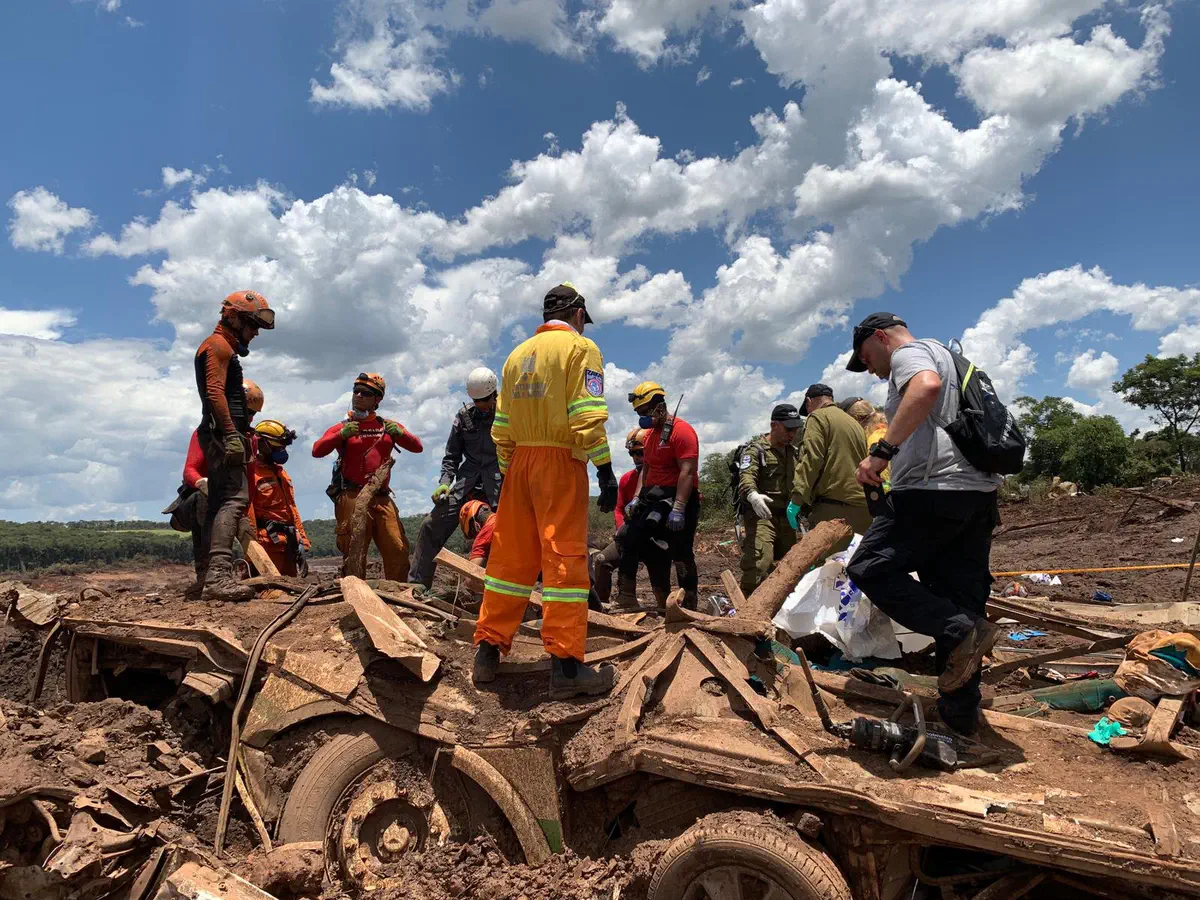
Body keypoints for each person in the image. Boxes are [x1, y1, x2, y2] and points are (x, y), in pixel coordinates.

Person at [843, 312, 1003, 737]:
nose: (871, 370)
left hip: (931, 491)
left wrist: (882, 452)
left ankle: (962, 630)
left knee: (869, 567)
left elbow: (925, 387)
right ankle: (959, 719)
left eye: (866, 358)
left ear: (880, 337)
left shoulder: (909, 354)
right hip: (977, 495)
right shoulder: (951, 357)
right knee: (958, 597)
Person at [473, 283, 619, 699]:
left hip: (518, 465)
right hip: (560, 462)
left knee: (508, 560)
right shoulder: (580, 349)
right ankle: (566, 667)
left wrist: (511, 474)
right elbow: (587, 416)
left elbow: (501, 428)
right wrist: (605, 470)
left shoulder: (516, 356)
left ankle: (487, 652)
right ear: (578, 315)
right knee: (564, 561)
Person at [194, 291, 274, 602]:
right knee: (234, 500)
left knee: (218, 502)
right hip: (222, 433)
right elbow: (215, 392)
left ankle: (209, 574)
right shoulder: (219, 346)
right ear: (236, 319)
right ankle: (217, 577)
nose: (255, 333)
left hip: (218, 432)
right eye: (252, 326)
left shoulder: (219, 346)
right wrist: (230, 434)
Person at [312, 373, 424, 582]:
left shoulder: (386, 426)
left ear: (377, 399)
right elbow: (317, 450)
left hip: (382, 497)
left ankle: (399, 594)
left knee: (397, 548)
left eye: (365, 393)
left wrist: (400, 433)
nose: (358, 396)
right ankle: (354, 594)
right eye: (356, 391)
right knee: (353, 550)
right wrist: (341, 435)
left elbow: (417, 447)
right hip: (352, 495)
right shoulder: (343, 426)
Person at [167, 380, 265, 600]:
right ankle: (206, 574)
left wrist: (244, 511)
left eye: (253, 414)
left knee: (241, 523)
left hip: (229, 502)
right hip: (198, 501)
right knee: (206, 503)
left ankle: (244, 576)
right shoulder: (205, 433)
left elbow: (248, 480)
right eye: (247, 412)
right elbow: (189, 470)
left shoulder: (250, 439)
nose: (249, 418)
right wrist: (201, 482)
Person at [410, 368, 503, 589]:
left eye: (485, 400)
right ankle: (417, 586)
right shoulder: (464, 418)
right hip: (465, 487)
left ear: (494, 394)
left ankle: (490, 592)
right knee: (430, 526)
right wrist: (444, 483)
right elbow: (451, 456)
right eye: (476, 401)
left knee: (500, 538)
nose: (481, 405)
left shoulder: (508, 416)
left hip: (499, 490)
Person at [618, 381, 701, 610]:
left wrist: (679, 507)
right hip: (653, 497)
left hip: (679, 498)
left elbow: (687, 471)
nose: (642, 417)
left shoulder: (682, 432)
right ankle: (627, 596)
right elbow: (646, 469)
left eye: (645, 411)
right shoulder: (650, 436)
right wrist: (636, 498)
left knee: (681, 553)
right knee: (629, 537)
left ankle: (690, 604)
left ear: (660, 407)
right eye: (639, 413)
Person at [787, 383, 873, 560]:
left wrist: (796, 499)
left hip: (833, 510)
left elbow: (811, 459)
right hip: (863, 509)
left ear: (809, 401)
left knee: (825, 568)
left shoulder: (818, 417)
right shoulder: (853, 422)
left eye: (807, 408)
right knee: (856, 567)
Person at [592, 428, 670, 609]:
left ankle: (666, 607)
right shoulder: (627, 479)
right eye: (632, 454)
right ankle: (600, 607)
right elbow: (619, 509)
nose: (636, 458)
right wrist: (621, 530)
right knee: (602, 560)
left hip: (655, 538)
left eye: (640, 453)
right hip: (629, 534)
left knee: (661, 586)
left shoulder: (665, 478)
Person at [738, 404, 805, 595]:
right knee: (760, 563)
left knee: (791, 565)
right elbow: (747, 476)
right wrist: (752, 495)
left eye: (795, 429)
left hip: (788, 517)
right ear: (774, 425)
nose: (792, 434)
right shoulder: (756, 450)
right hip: (762, 517)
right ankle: (748, 603)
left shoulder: (794, 452)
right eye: (788, 429)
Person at [247, 419, 310, 577]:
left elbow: (292, 508)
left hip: (289, 542)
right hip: (267, 543)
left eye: (283, 446)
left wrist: (302, 540)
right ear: (260, 443)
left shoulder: (281, 473)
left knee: (290, 586)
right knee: (268, 587)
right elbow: (248, 514)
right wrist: (252, 550)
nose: (281, 451)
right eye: (277, 446)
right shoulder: (251, 473)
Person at [459, 499, 496, 566]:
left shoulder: (485, 534)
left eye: (473, 534)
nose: (475, 538)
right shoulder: (508, 516)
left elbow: (471, 570)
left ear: (476, 526)